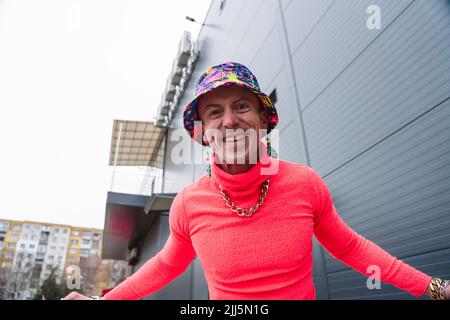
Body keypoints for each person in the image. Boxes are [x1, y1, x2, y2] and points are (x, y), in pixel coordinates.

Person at [63, 62, 449, 300]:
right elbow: (165, 265)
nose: (229, 120)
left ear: (264, 120)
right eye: (214, 112)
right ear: (202, 132)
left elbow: (351, 247)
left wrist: (433, 288)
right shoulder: (188, 205)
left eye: (241, 106)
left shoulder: (305, 184)